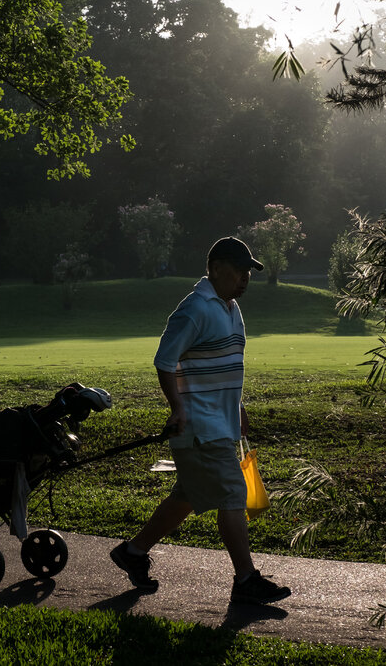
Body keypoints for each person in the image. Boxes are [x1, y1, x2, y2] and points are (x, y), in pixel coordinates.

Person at [109, 236, 292, 605]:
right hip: (199, 426)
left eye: (248, 273)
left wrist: (236, 405)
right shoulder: (194, 309)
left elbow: (225, 365)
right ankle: (245, 580)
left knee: (188, 496)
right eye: (239, 271)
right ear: (217, 269)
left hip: (220, 422)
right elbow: (164, 361)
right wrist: (177, 408)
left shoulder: (230, 308)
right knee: (232, 495)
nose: (245, 279)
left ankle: (133, 552)